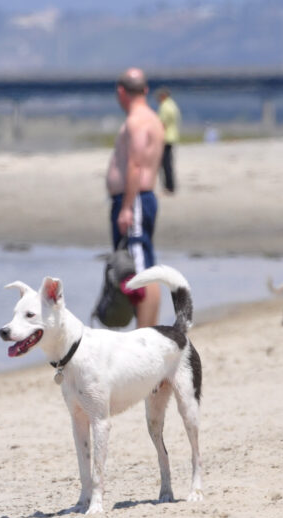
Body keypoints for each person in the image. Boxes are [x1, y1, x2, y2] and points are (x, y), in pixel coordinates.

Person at [106, 67, 165, 328]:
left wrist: (127, 207)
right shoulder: (151, 118)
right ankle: (146, 329)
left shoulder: (136, 121)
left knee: (140, 268)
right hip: (140, 198)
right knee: (141, 264)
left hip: (136, 200)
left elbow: (135, 164)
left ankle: (145, 332)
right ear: (145, 89)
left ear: (121, 92)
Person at [155, 87, 181, 194]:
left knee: (165, 164)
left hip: (165, 137)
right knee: (168, 162)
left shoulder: (165, 106)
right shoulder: (173, 105)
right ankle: (171, 186)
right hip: (172, 136)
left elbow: (162, 123)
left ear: (163, 96)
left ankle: (168, 186)